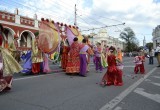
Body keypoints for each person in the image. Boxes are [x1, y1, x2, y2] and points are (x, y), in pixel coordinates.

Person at [0, 23, 22, 92]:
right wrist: (14, 50)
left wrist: (17, 50)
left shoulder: (1, 35)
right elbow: (9, 48)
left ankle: (3, 84)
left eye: (17, 38)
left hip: (12, 53)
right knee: (3, 67)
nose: (17, 39)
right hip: (12, 53)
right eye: (16, 38)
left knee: (14, 63)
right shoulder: (12, 42)